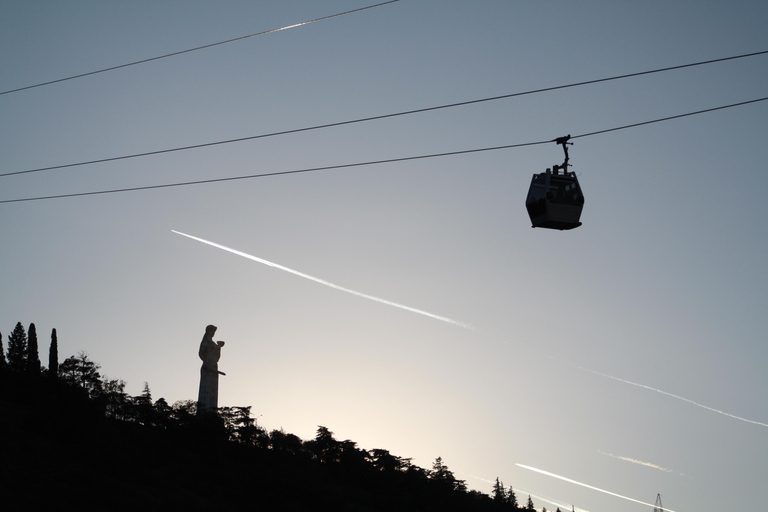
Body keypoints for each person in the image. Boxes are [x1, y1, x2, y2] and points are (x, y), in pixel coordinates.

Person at [197, 324, 225, 415]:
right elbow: (201, 353)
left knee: (213, 389)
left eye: (213, 332)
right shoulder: (206, 342)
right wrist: (206, 362)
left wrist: (219, 349)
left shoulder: (213, 344)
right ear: (207, 332)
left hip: (214, 367)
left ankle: (212, 410)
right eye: (211, 331)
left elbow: (217, 358)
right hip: (207, 367)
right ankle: (204, 410)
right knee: (206, 387)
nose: (212, 333)